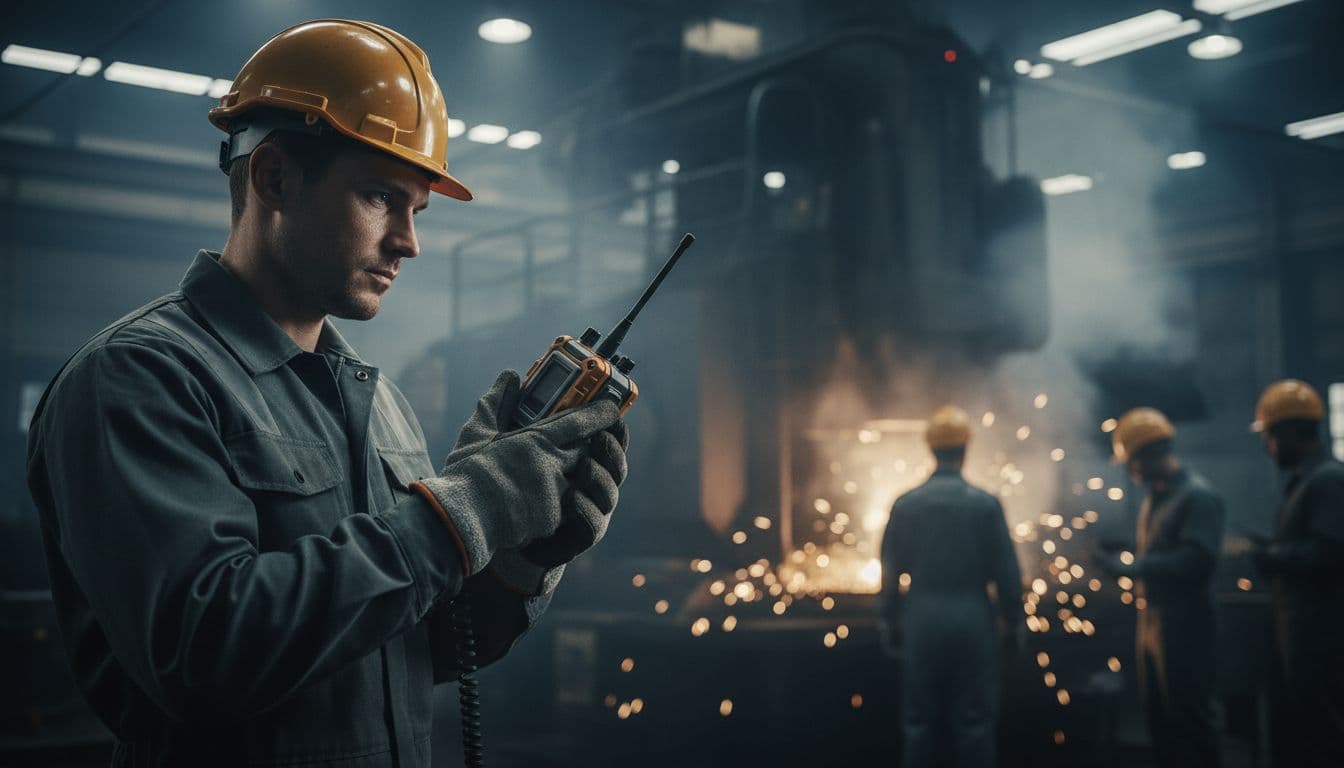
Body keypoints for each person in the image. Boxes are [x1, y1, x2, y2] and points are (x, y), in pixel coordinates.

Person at [25, 19, 628, 767]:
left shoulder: (385, 408)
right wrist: (457, 515)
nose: (409, 241)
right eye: (381, 197)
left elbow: (415, 650)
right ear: (273, 177)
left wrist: (519, 558)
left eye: (417, 210)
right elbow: (204, 655)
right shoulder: (139, 378)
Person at [879, 405, 1021, 768]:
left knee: (919, 724)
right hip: (973, 617)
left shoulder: (906, 505)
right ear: (965, 448)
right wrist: (1013, 621)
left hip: (923, 618)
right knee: (974, 724)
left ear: (930, 449)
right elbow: (1006, 572)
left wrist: (890, 620)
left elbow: (891, 571)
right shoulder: (986, 505)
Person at [1098, 407, 1223, 768]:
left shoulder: (1197, 497)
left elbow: (1197, 560)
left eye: (1131, 460)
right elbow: (1165, 553)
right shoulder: (1157, 498)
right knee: (1161, 721)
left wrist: (1133, 566)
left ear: (1151, 453)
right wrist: (1126, 553)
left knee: (1190, 721)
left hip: (1186, 625)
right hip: (1153, 621)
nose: (1128, 469)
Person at [1249, 379, 1344, 768]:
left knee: (1326, 735)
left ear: (1288, 432)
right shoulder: (1306, 481)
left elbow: (1330, 551)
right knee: (1309, 733)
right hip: (1304, 631)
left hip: (1323, 634)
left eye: (1270, 436)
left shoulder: (1328, 480)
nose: (1269, 446)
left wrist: (1272, 557)